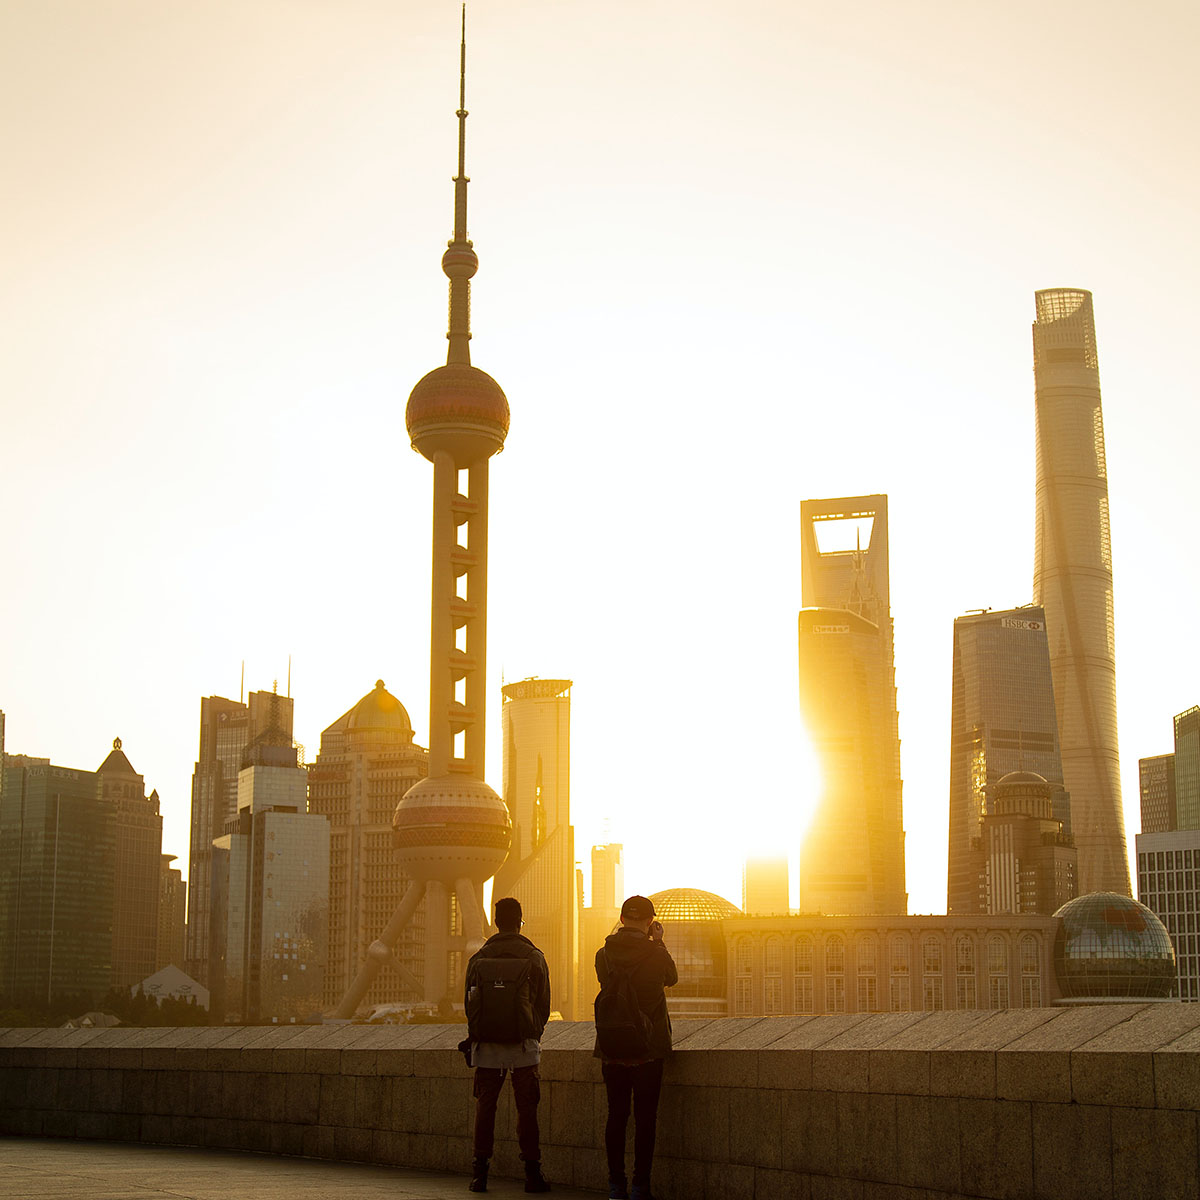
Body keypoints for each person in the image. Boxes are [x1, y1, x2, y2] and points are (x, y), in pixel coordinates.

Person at [463, 896, 552, 1194]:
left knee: (485, 1108)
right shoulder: (534, 957)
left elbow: (469, 1002)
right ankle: (532, 1173)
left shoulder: (478, 958)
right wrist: (531, 1033)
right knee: (527, 1110)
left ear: (496, 922)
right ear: (520, 921)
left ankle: (480, 1174)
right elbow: (544, 1004)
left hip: (486, 1048)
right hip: (523, 1048)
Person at [594, 895, 678, 1200]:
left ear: (622, 919)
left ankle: (616, 1185)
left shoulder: (603, 954)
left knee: (615, 1116)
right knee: (645, 1120)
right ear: (649, 921)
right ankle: (640, 1186)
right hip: (648, 1050)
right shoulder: (656, 954)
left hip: (612, 1046)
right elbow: (672, 978)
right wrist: (659, 943)